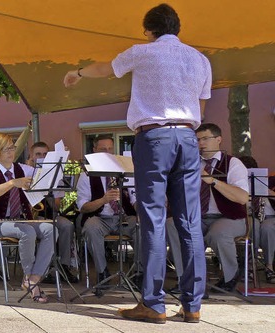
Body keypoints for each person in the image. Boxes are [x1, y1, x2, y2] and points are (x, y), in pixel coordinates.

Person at [64, 3, 212, 323]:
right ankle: (192, 305)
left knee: (154, 220)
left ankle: (153, 304)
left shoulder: (142, 52)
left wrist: (77, 72)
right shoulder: (200, 60)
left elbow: (106, 68)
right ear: (177, 28)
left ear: (148, 30)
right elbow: (199, 106)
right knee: (189, 222)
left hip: (154, 138)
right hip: (188, 138)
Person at [167, 124, 249, 293]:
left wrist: (212, 180)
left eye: (205, 139)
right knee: (172, 224)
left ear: (218, 139)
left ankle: (230, 277)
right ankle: (186, 279)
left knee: (218, 233)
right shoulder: (189, 163)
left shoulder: (233, 163)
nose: (200, 143)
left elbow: (242, 197)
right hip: (196, 216)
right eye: (197, 140)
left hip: (228, 217)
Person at [0, 133, 55, 303]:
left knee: (51, 229)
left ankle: (34, 278)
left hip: (20, 220)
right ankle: (28, 277)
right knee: (27, 232)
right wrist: (12, 183)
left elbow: (45, 175)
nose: (10, 152)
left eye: (12, 148)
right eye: (5, 149)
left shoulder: (22, 168)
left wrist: (55, 160)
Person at [76, 135, 138, 286]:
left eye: (110, 149)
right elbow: (83, 207)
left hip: (123, 218)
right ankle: (102, 272)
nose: (107, 152)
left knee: (142, 226)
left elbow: (135, 200)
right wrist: (103, 200)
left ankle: (139, 272)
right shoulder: (86, 175)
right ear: (94, 150)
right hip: (100, 217)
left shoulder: (126, 172)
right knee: (91, 228)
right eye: (103, 149)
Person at [237, 156, 275, 284]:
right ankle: (251, 264)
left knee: (268, 228)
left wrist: (269, 192)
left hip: (269, 216)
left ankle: (269, 265)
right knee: (254, 225)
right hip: (251, 216)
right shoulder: (237, 182)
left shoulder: (268, 181)